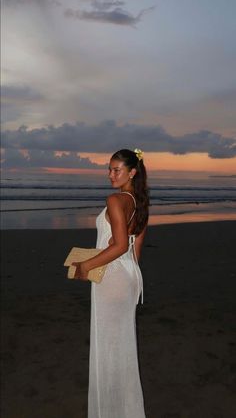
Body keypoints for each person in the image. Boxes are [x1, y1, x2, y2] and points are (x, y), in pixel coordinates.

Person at [72, 148, 149, 418]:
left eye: (116, 170)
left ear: (132, 172)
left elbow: (117, 245)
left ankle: (109, 411)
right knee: (123, 346)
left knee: (107, 347)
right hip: (129, 276)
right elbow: (134, 248)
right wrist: (132, 282)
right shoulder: (139, 202)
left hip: (112, 276)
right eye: (109, 169)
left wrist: (86, 266)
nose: (110, 175)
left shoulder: (116, 200)